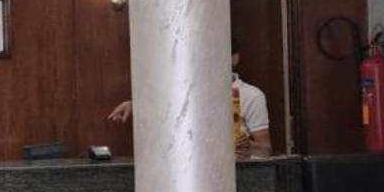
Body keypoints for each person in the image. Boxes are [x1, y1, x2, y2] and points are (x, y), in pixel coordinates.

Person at [107, 52, 272, 159]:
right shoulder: (187, 91)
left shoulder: (251, 95)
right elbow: (163, 105)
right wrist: (134, 105)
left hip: (238, 175)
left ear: (234, 59)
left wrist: (246, 146)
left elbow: (266, 150)